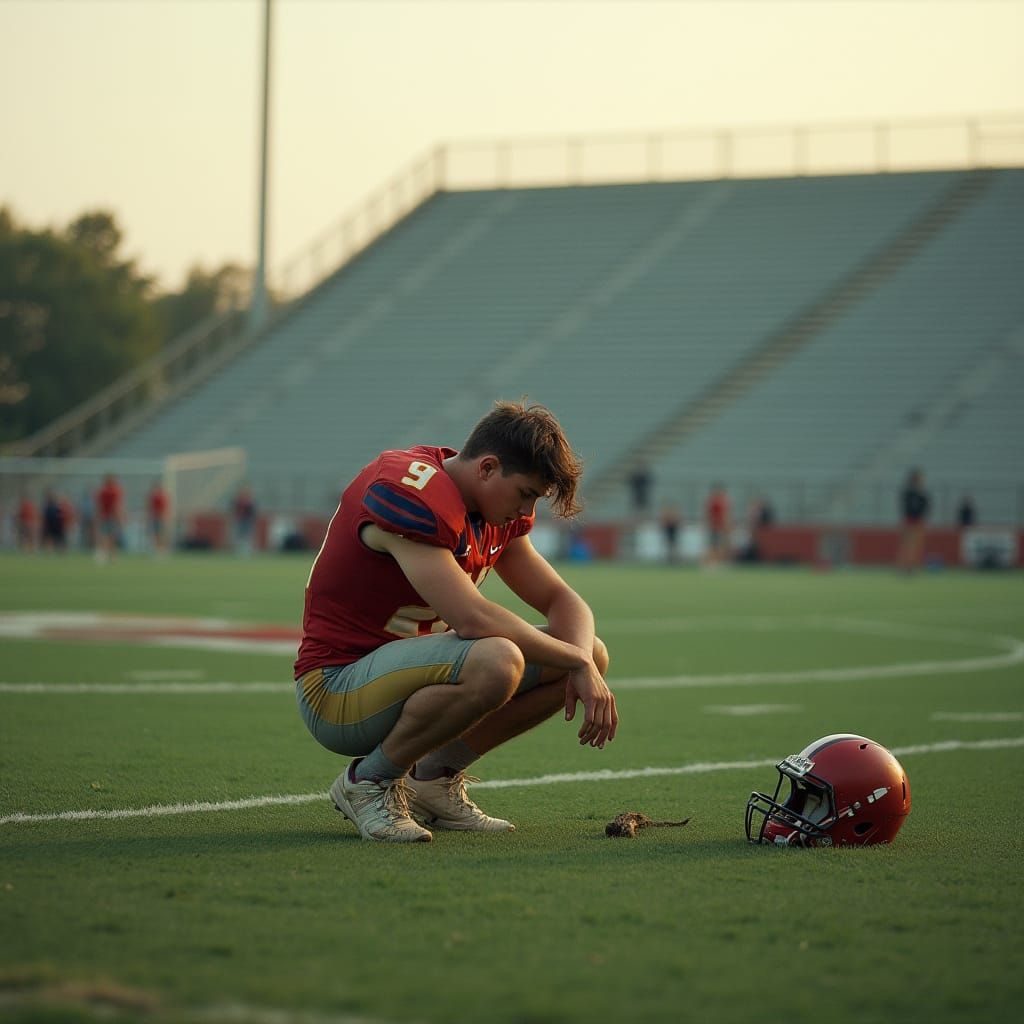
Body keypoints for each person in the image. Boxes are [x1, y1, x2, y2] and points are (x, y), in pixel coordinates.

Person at [294, 400, 617, 843]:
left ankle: (433, 777)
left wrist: (581, 660)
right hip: (337, 686)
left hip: (404, 676)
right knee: (497, 658)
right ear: (487, 468)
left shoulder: (488, 507)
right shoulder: (411, 492)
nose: (526, 511)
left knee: (590, 651)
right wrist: (577, 663)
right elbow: (472, 617)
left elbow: (562, 600)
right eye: (524, 493)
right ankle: (367, 782)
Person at [897, 468, 930, 572]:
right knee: (908, 546)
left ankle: (913, 566)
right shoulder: (909, 492)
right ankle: (905, 567)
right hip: (910, 521)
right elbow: (907, 507)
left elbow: (926, 506)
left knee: (916, 546)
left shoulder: (921, 493)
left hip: (918, 521)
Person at [94, 473, 124, 562]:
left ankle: (105, 554)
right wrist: (120, 517)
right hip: (111, 517)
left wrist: (97, 516)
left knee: (105, 536)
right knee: (111, 536)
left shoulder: (102, 490)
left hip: (105, 516)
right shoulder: (115, 490)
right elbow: (117, 505)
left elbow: (98, 505)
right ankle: (111, 556)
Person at [704, 483, 731, 566]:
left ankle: (718, 562)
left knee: (720, 545)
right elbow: (710, 515)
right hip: (715, 527)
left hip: (720, 527)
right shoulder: (714, 502)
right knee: (714, 545)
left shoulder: (722, 501)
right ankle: (712, 563)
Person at [147, 480, 170, 555]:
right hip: (156, 518)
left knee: (160, 534)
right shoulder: (155, 497)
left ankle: (161, 550)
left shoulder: (161, 497)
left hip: (160, 518)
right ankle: (158, 550)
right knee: (157, 534)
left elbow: (164, 508)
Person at [232, 485, 257, 555]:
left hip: (247, 521)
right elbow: (234, 510)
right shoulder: (238, 501)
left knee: (247, 536)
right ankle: (238, 551)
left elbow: (253, 512)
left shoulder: (250, 502)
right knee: (239, 536)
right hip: (239, 521)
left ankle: (247, 551)